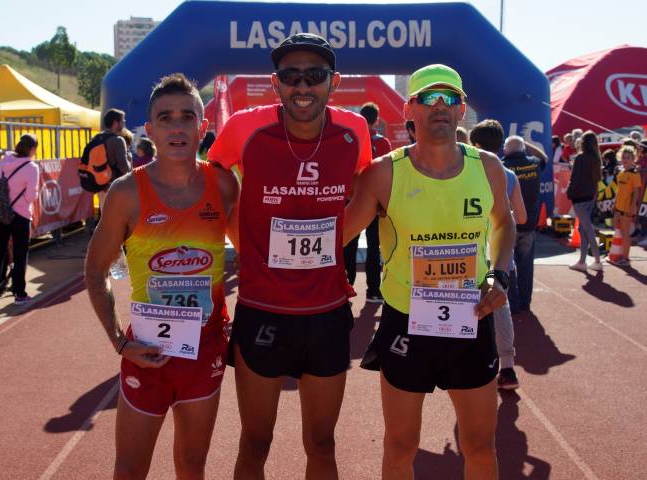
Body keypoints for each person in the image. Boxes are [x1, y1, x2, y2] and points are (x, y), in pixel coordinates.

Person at [208, 33, 371, 479]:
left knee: (322, 443)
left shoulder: (354, 130)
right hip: (263, 311)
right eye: (290, 76)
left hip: (327, 313)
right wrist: (241, 238)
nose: (303, 86)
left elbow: (363, 188)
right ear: (275, 83)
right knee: (255, 442)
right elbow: (215, 177)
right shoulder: (245, 126)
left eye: (314, 76)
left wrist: (338, 236)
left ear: (333, 83)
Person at [345, 64, 515, 478]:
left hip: (471, 318)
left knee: (479, 444)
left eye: (450, 99)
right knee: (400, 446)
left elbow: (504, 222)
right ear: (409, 109)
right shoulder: (383, 173)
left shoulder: (488, 166)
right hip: (406, 322)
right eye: (428, 98)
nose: (440, 106)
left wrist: (499, 275)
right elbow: (340, 234)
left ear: (461, 111)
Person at [85, 73, 239, 480]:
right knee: (130, 468)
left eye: (187, 117)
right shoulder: (125, 193)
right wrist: (119, 341)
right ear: (149, 129)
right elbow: (95, 269)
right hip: (147, 352)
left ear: (202, 128)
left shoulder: (223, 185)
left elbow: (252, 254)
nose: (177, 127)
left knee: (192, 465)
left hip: (205, 350)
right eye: (165, 118)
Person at [470, 120, 527, 390]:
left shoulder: (467, 173)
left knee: (471, 304)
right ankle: (507, 368)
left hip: (476, 251)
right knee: (499, 306)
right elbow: (523, 216)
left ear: (475, 145)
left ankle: (469, 364)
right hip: (500, 253)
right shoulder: (509, 175)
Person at [0, 133, 40, 304]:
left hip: (1, 212)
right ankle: (19, 293)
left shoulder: (4, 161)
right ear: (33, 148)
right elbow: (31, 196)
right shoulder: (31, 167)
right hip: (21, 215)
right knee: (20, 255)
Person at [344, 102, 391, 302]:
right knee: (374, 246)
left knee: (348, 244)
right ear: (377, 120)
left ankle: (346, 286)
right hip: (374, 203)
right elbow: (388, 174)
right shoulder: (383, 143)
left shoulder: (348, 141)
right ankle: (373, 290)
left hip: (351, 200)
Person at [502, 135, 548, 311]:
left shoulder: (501, 165)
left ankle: (512, 303)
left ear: (506, 150)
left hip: (508, 223)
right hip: (528, 224)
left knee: (507, 266)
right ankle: (525, 302)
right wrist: (524, 144)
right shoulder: (534, 162)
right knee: (526, 266)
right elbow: (544, 157)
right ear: (523, 149)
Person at [567, 131, 603, 272]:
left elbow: (574, 178)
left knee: (587, 229)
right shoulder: (596, 158)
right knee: (583, 229)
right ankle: (582, 261)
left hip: (579, 198)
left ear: (582, 143)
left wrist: (569, 193)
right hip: (590, 197)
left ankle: (597, 260)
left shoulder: (580, 158)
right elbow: (597, 179)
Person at [607, 145, 642, 266]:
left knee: (626, 234)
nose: (625, 160)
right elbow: (619, 191)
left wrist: (633, 206)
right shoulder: (621, 173)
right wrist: (615, 204)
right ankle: (618, 254)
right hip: (619, 207)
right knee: (619, 232)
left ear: (633, 159)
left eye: (628, 158)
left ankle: (626, 258)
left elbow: (637, 192)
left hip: (627, 208)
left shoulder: (635, 174)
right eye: (624, 157)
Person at [93, 108, 131, 208]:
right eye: (122, 121)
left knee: (105, 216)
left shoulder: (96, 138)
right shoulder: (118, 140)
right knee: (120, 219)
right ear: (115, 123)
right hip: (116, 186)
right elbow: (123, 166)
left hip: (100, 185)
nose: (124, 123)